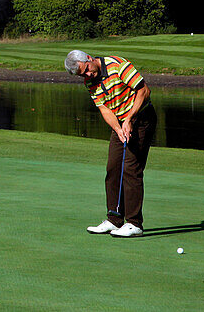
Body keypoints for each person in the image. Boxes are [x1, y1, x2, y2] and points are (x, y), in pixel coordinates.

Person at [64, 49, 157, 238]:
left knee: (131, 168)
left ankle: (134, 223)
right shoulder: (89, 82)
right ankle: (114, 219)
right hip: (121, 122)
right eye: (83, 74)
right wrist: (118, 128)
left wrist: (129, 119)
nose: (88, 75)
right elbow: (104, 109)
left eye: (87, 69)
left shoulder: (118, 65)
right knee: (113, 168)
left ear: (89, 58)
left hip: (141, 119)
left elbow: (144, 91)